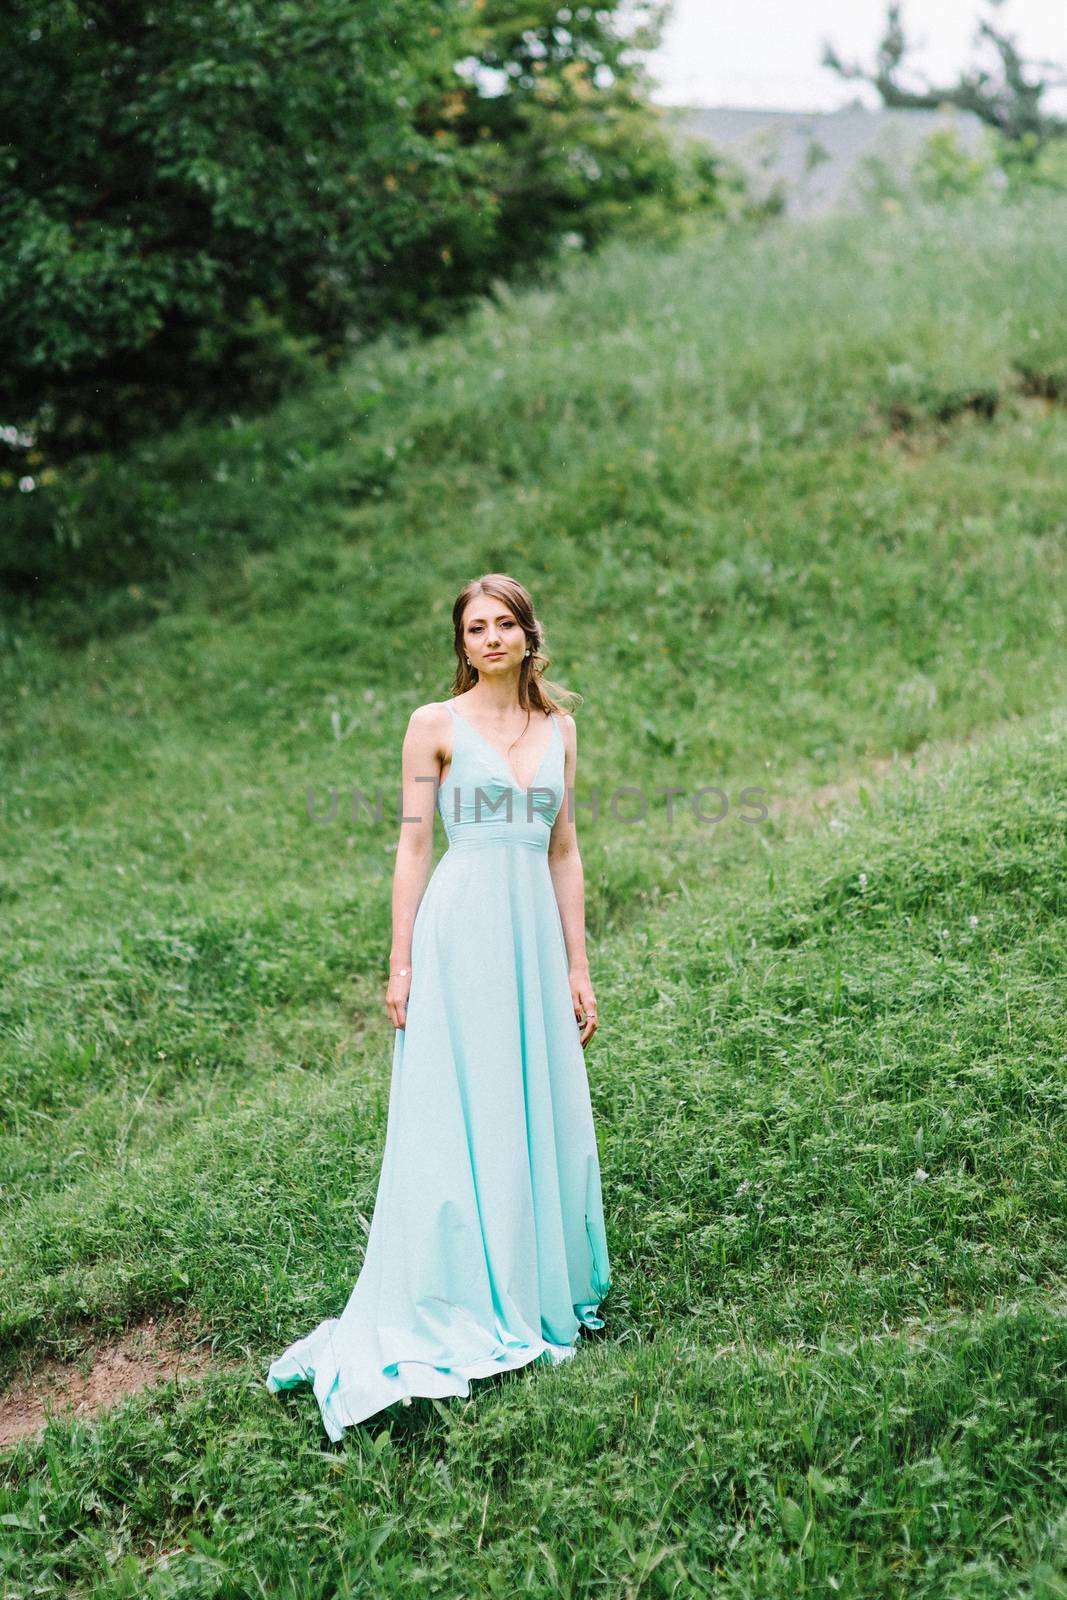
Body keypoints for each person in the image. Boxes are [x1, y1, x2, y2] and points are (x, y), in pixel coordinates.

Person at [265, 573, 612, 1438]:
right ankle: (456, 1286)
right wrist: (400, 962)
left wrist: (577, 965)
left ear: (530, 636)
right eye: (474, 628)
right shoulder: (434, 725)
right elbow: (413, 843)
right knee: (466, 1106)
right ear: (462, 645)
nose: (489, 639)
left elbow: (564, 850)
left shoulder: (559, 729)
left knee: (530, 1102)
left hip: (532, 939)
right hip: (458, 937)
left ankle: (531, 1286)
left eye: (504, 625)